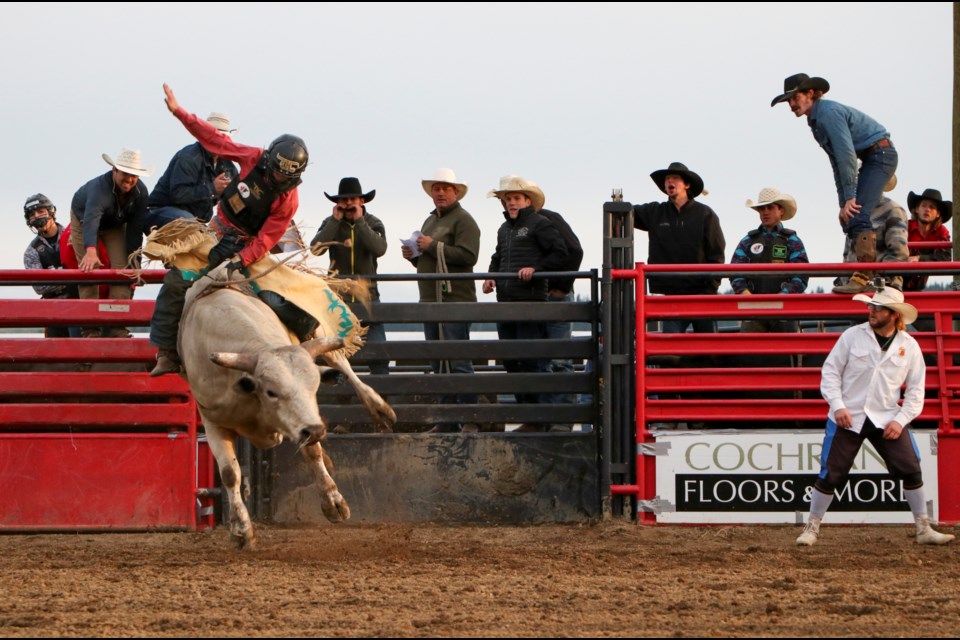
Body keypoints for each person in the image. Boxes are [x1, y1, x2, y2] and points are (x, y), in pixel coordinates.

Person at [150, 83, 308, 376]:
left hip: (249, 248)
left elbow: (267, 239)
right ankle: (167, 352)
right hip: (217, 233)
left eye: (284, 176)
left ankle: (303, 351)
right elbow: (213, 139)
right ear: (269, 160)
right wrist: (180, 113)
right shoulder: (252, 157)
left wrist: (239, 261)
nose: (277, 178)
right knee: (176, 282)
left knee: (283, 295)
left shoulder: (289, 199)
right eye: (275, 171)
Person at [796, 287, 954, 546]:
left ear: (893, 315)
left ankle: (923, 527)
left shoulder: (909, 345)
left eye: (878, 308)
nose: (871, 311)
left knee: (911, 468)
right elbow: (831, 372)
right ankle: (811, 527)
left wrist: (901, 419)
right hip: (848, 415)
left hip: (887, 417)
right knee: (831, 473)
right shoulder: (851, 336)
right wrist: (838, 406)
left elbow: (916, 390)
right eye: (871, 306)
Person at [772, 73, 899, 294]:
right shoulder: (816, 122)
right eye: (788, 101)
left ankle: (864, 277)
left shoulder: (828, 113)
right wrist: (844, 202)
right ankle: (860, 273)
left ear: (810, 94)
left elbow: (846, 156)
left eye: (795, 97)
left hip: (880, 154)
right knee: (852, 215)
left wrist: (850, 198)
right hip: (873, 156)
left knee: (858, 214)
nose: (792, 104)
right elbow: (836, 163)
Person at [486, 175, 583, 431]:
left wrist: (553, 282)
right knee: (512, 359)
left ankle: (551, 420)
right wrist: (491, 277)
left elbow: (567, 252)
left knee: (544, 359)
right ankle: (532, 417)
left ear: (528, 200)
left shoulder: (544, 222)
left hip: (535, 298)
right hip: (508, 300)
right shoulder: (505, 229)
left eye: (516, 198)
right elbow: (499, 256)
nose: (511, 203)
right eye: (507, 199)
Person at [401, 168, 481, 433]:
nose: (440, 193)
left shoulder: (464, 221)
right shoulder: (430, 221)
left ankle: (470, 419)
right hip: (430, 301)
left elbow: (469, 256)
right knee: (438, 362)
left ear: (456, 192)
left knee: (458, 361)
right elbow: (431, 257)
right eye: (437, 188)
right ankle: (447, 420)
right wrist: (414, 255)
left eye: (446, 188)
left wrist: (431, 246)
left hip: (454, 299)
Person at [312, 177, 389, 433]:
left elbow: (378, 249)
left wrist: (359, 221)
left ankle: (381, 415)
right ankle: (343, 420)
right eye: (343, 199)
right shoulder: (331, 223)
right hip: (340, 303)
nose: (347, 203)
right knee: (342, 361)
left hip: (369, 300)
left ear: (361, 201)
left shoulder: (374, 223)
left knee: (379, 358)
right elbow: (316, 249)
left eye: (351, 199)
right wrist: (335, 221)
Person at [632, 162, 726, 333]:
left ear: (687, 184)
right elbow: (624, 212)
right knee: (669, 349)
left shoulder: (705, 214)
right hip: (671, 295)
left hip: (701, 295)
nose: (669, 181)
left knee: (709, 350)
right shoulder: (655, 212)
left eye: (675, 178)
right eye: (667, 178)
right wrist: (615, 205)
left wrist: (710, 289)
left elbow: (716, 252)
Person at [69, 148, 151, 338]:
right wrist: (90, 250)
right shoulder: (99, 191)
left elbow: (135, 228)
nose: (129, 179)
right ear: (115, 170)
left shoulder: (141, 193)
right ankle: (91, 329)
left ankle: (117, 326)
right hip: (84, 220)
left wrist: (136, 260)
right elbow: (91, 220)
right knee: (89, 270)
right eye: (125, 173)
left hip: (115, 223)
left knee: (124, 269)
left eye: (134, 175)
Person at [730, 188, 809, 333]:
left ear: (781, 210)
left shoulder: (792, 240)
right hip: (752, 308)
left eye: (770, 207)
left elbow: (802, 275)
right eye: (761, 209)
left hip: (784, 308)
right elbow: (735, 271)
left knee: (787, 351)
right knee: (749, 352)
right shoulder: (748, 240)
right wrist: (744, 293)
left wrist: (784, 295)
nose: (765, 212)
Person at [145, 111, 238, 231]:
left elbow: (234, 198)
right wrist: (212, 189)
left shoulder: (228, 166)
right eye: (213, 138)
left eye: (220, 139)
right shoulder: (188, 157)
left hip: (193, 220)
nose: (217, 142)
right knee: (192, 225)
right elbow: (178, 195)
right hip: (160, 211)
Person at [22, 194, 76, 337]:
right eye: (32, 214)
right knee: (57, 352)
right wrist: (67, 275)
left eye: (41, 211)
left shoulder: (74, 236)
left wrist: (54, 276)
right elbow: (39, 287)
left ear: (51, 211)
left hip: (80, 301)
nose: (37, 217)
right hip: (53, 308)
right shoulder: (31, 251)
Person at [905, 188, 952, 293]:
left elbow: (945, 257)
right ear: (917, 209)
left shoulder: (941, 231)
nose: (927, 209)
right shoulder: (905, 227)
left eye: (932, 207)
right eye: (924, 205)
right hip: (895, 282)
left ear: (938, 214)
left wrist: (919, 258)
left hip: (917, 287)